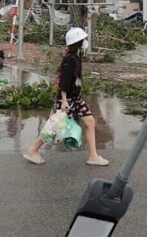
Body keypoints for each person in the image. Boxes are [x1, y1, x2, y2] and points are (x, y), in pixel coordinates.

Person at [23, 27, 109, 166]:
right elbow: (63, 81)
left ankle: (93, 156)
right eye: (83, 40)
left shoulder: (75, 57)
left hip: (75, 98)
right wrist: (63, 100)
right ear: (79, 43)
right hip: (68, 99)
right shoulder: (70, 59)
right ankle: (33, 150)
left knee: (90, 122)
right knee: (54, 126)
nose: (86, 42)